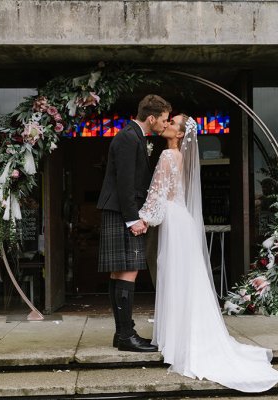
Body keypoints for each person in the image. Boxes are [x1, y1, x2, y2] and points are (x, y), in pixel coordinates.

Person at [138, 114, 278, 392]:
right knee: (185, 279)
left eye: (172, 123)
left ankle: (177, 339)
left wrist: (143, 219)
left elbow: (157, 196)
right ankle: (181, 336)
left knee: (175, 277)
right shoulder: (178, 156)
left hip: (171, 220)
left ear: (180, 134)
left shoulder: (168, 156)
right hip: (182, 221)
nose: (166, 124)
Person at [97, 94, 171, 352]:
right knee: (128, 271)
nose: (165, 124)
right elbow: (125, 182)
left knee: (119, 272)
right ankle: (127, 335)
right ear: (150, 118)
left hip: (119, 210)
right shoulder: (129, 138)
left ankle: (122, 334)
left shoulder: (132, 136)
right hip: (122, 212)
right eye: (163, 119)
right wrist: (133, 219)